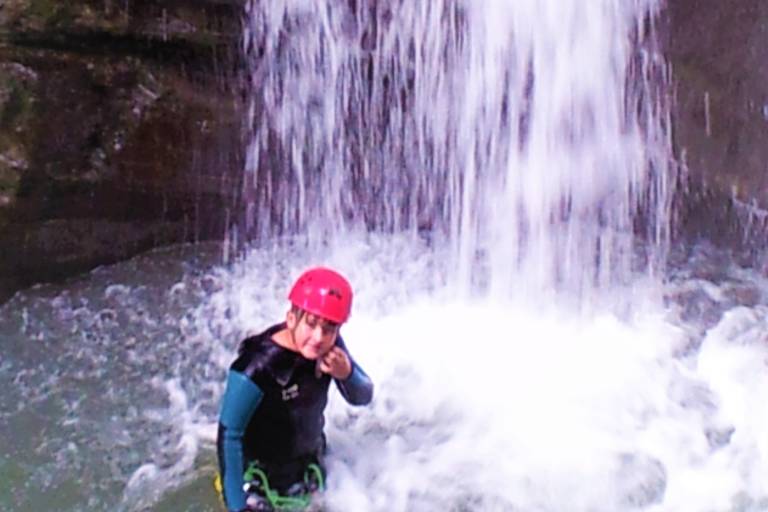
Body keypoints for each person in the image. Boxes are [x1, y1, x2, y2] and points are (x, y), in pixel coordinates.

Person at [216, 266, 374, 512]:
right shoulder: (255, 368)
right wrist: (237, 507)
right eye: (310, 324)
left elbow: (364, 396)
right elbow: (228, 437)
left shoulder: (330, 349)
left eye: (329, 328)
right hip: (260, 482)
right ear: (291, 319)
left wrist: (347, 374)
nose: (318, 336)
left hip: (310, 468)